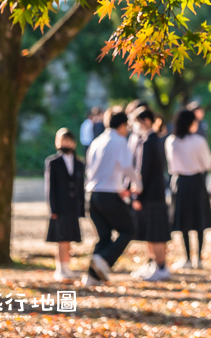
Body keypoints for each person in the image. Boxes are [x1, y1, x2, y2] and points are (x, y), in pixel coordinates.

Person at [83, 107, 136, 286]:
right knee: (128, 229)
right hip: (108, 194)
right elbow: (128, 167)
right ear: (122, 125)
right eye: (126, 126)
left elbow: (92, 169)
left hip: (93, 194)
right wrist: (138, 184)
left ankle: (91, 277)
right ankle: (104, 260)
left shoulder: (97, 141)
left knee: (104, 236)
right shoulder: (120, 141)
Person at [166, 108, 211, 270]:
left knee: (184, 221)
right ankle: (198, 259)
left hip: (180, 182)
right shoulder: (198, 141)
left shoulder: (171, 141)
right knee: (199, 220)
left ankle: (187, 258)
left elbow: (171, 166)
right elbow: (207, 164)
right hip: (196, 181)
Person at [129, 108, 172, 282]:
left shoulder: (149, 141)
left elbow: (143, 171)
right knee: (151, 232)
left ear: (146, 121)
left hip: (151, 194)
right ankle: (154, 264)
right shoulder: (156, 139)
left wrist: (137, 195)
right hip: (156, 192)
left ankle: (161, 266)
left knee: (156, 233)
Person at [45, 128, 85, 281]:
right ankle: (60, 268)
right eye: (63, 140)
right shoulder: (52, 162)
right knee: (61, 238)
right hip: (60, 207)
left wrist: (81, 208)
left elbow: (80, 187)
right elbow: (50, 188)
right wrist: (53, 209)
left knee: (69, 237)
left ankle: (67, 267)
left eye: (68, 140)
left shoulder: (79, 163)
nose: (66, 143)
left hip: (73, 207)